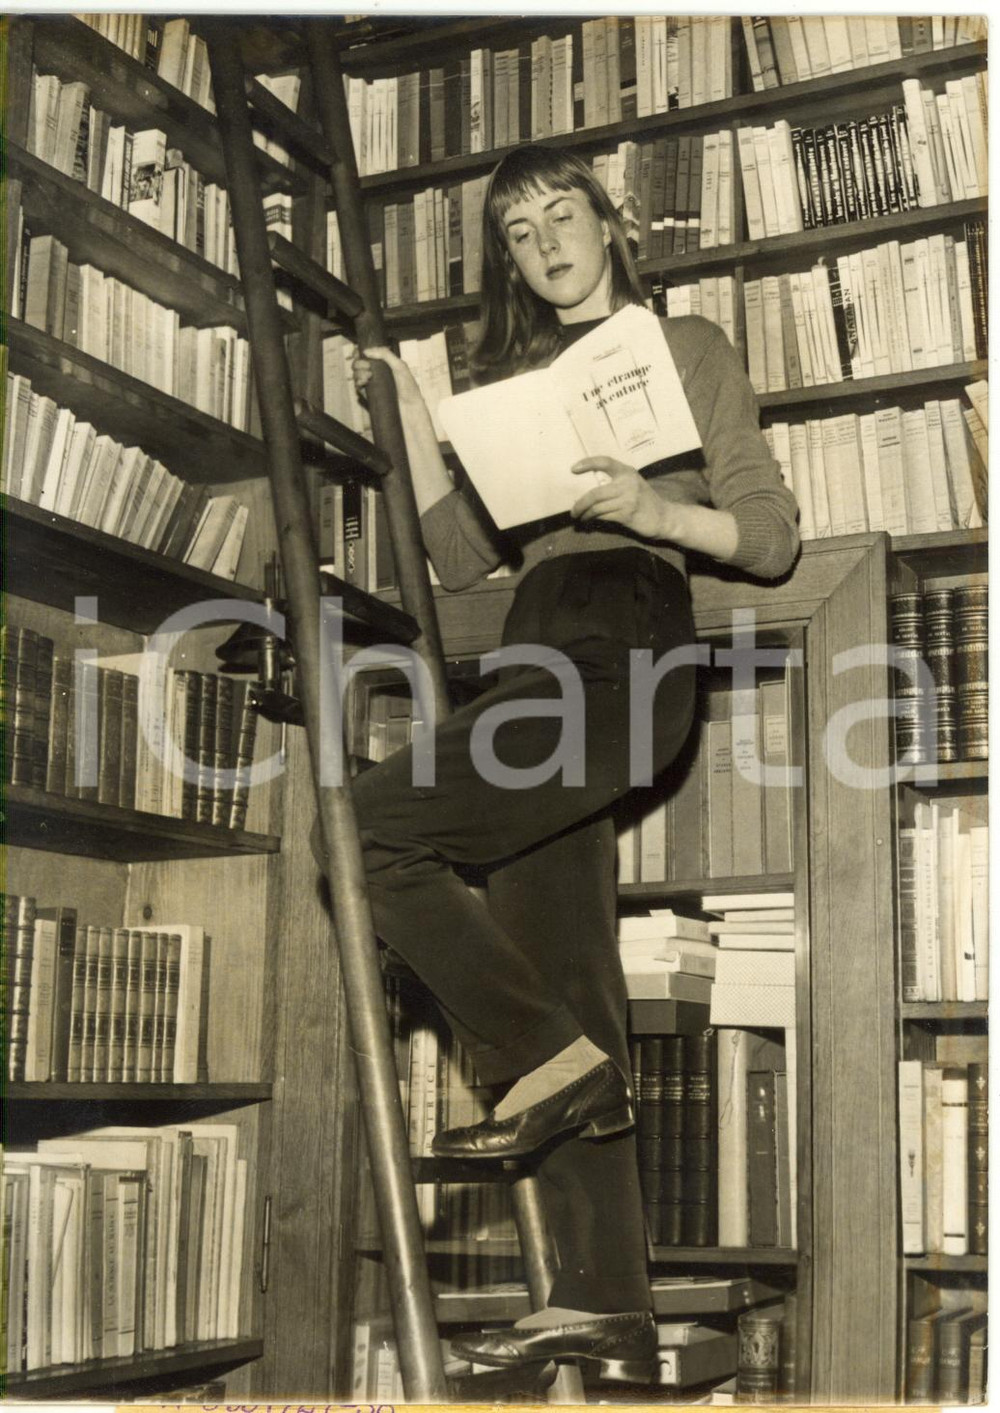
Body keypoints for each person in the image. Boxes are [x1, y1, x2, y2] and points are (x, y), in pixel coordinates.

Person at [327, 144, 800, 1382]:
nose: (544, 243)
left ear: (607, 222)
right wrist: (422, 427)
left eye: (561, 214)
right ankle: (605, 1300)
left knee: (366, 824)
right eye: (518, 231)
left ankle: (544, 1064)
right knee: (572, 974)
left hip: (633, 630)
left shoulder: (687, 346)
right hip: (537, 652)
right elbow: (458, 563)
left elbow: (767, 537)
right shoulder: (512, 385)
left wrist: (652, 512)